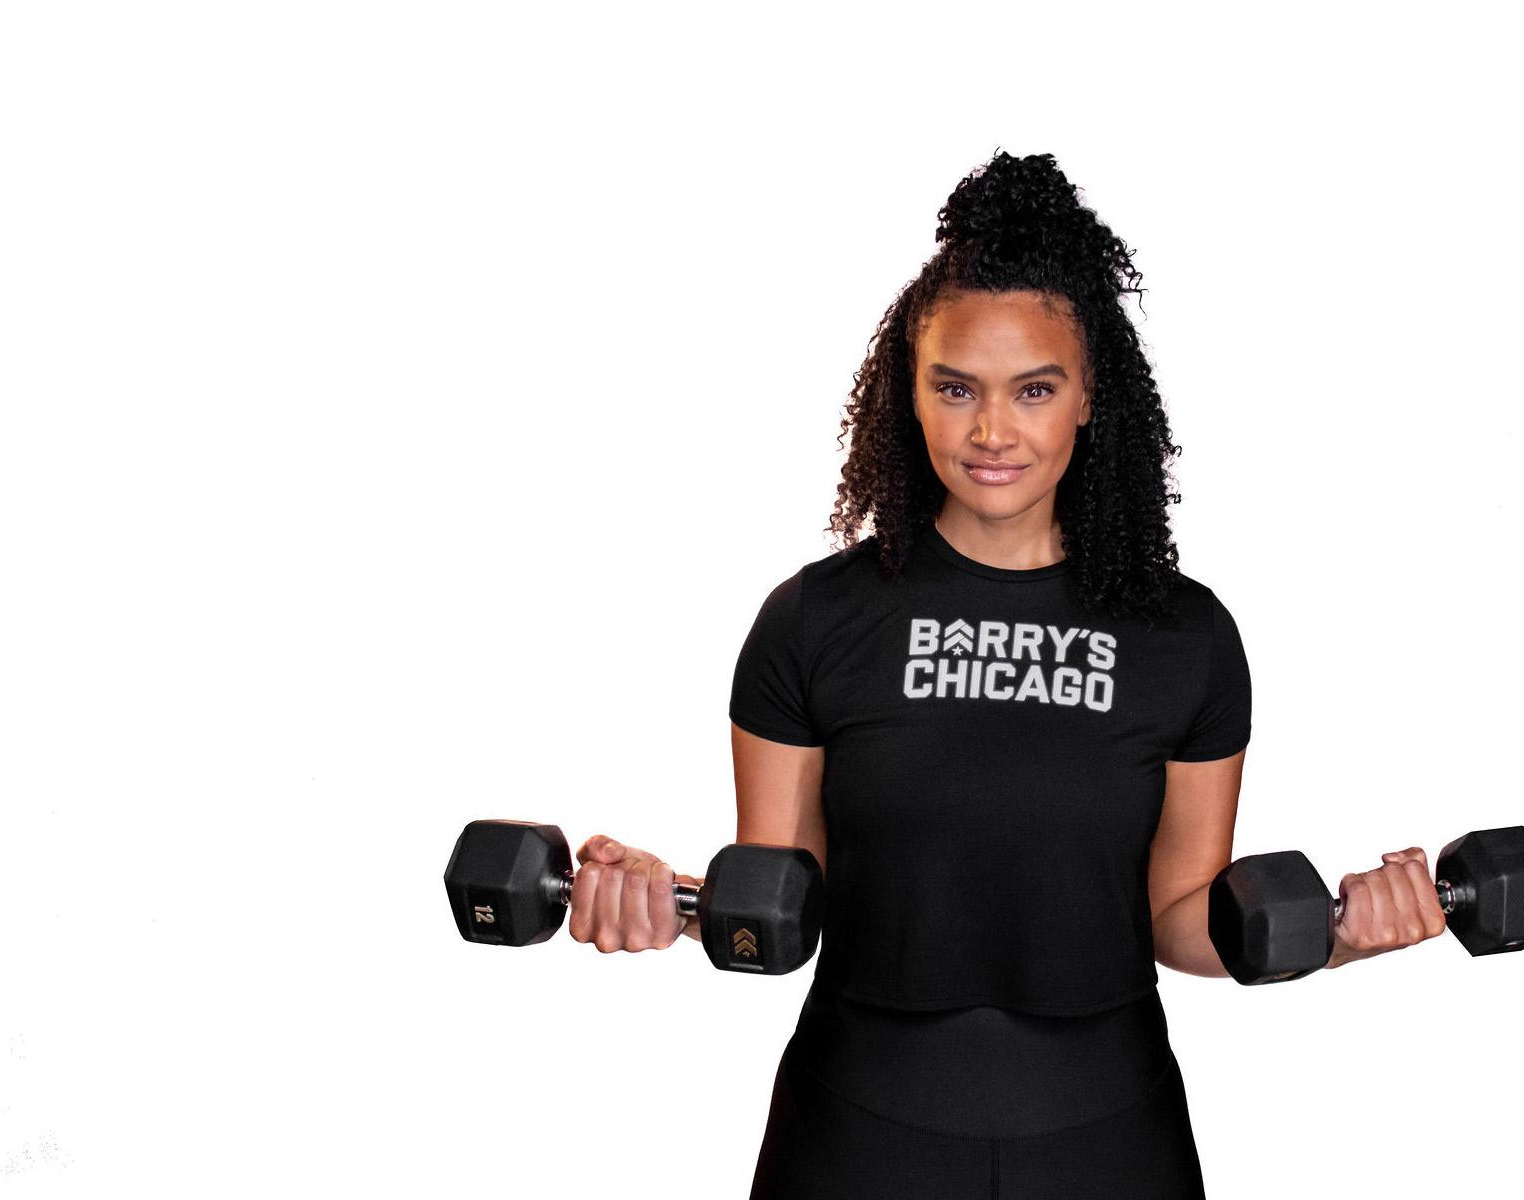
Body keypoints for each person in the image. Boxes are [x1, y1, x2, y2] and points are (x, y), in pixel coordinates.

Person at [565, 150, 1451, 1198]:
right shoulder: (811, 622)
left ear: (1089, 400)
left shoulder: (1185, 636)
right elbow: (781, 905)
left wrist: (1341, 937)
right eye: (955, 389)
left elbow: (1179, 912)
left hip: (1106, 1136)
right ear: (910, 396)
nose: (991, 432)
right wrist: (653, 899)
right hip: (857, 1134)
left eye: (1033, 389)